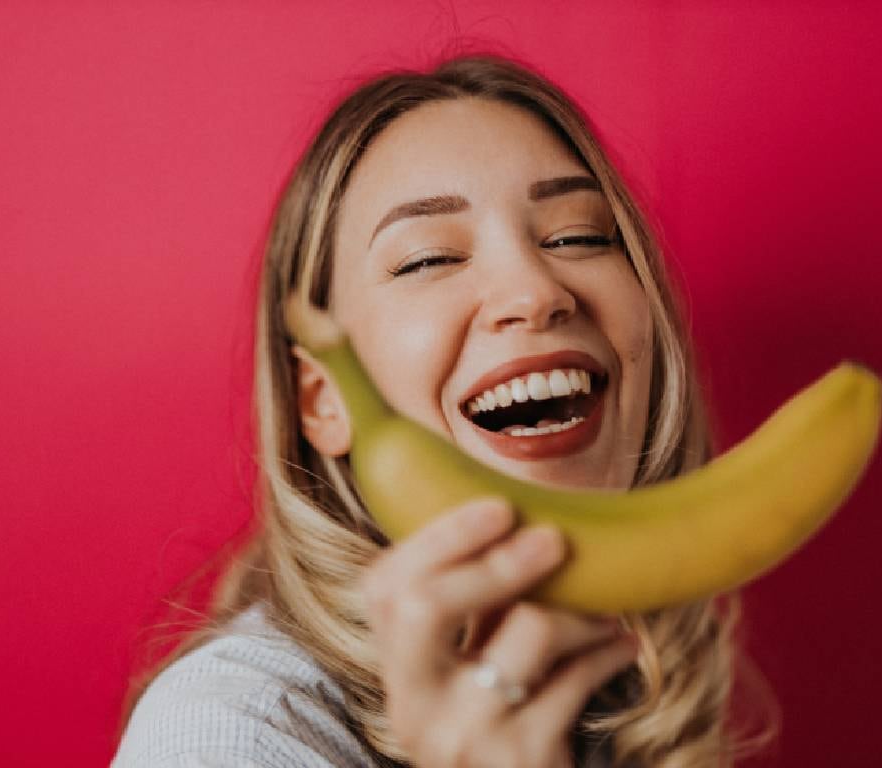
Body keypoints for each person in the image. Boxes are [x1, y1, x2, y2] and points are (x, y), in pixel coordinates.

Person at [112, 53, 779, 768]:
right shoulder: (232, 733)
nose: (535, 290)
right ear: (325, 400)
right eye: (428, 258)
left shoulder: (626, 695)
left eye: (577, 236)